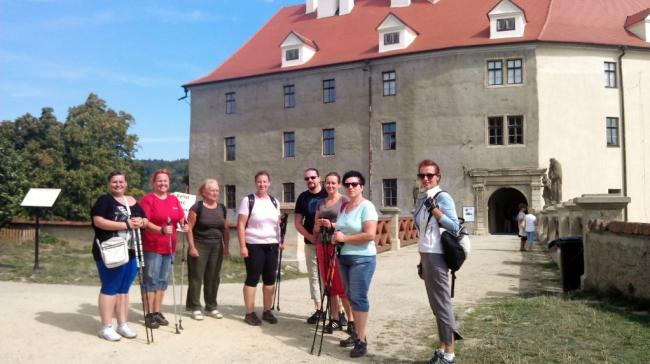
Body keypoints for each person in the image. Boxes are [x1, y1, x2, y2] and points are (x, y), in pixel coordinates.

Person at [413, 160, 462, 364]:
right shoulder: (422, 198)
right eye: (422, 175)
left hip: (438, 255)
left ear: (438, 177)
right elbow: (422, 232)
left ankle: (449, 354)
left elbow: (454, 226)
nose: (425, 179)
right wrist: (421, 260)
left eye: (429, 175)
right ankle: (442, 348)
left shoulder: (443, 197)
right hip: (426, 254)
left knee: (442, 304)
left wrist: (436, 211)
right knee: (435, 305)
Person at [91, 170, 147, 341]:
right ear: (109, 184)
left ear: (126, 183)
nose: (118, 185)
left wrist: (141, 222)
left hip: (132, 250)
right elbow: (98, 221)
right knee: (110, 287)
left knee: (124, 288)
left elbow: (144, 220)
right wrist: (126, 224)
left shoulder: (133, 201)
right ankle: (106, 327)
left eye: (121, 182)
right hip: (111, 250)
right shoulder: (104, 200)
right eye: (114, 182)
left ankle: (122, 324)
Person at [331, 170, 378, 358]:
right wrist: (335, 232)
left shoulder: (367, 207)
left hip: (362, 258)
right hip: (344, 257)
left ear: (362, 187)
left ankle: (361, 339)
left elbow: (370, 234)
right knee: (350, 296)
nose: (350, 187)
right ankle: (357, 333)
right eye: (347, 184)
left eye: (354, 184)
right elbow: (343, 228)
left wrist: (344, 237)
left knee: (358, 297)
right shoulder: (345, 207)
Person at [139, 169, 187, 328]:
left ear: (169, 183)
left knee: (162, 281)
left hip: (170, 247)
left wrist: (184, 224)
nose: (162, 183)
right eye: (159, 180)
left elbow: (180, 217)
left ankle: (157, 312)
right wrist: (159, 230)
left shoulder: (173, 200)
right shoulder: (148, 200)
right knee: (151, 280)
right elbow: (144, 222)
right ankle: (149, 314)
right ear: (153, 183)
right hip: (152, 246)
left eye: (165, 181)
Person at [237, 170, 282, 326]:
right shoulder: (248, 200)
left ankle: (267, 311)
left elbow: (277, 224)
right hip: (253, 244)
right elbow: (241, 224)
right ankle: (249, 313)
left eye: (265, 181)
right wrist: (243, 246)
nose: (262, 184)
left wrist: (280, 240)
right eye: (259, 182)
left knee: (270, 279)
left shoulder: (275, 201)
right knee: (253, 278)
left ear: (269, 183)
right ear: (255, 183)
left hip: (272, 245)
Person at [313, 172, 354, 334]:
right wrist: (319, 225)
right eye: (327, 183)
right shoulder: (320, 203)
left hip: (337, 246)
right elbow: (315, 227)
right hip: (322, 245)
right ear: (324, 184)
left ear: (338, 185)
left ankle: (351, 320)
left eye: (333, 183)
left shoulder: (345, 201)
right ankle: (335, 318)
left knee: (341, 284)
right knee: (328, 285)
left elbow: (349, 224)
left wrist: (332, 225)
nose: (330, 186)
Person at [185, 178, 229, 320]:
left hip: (217, 246)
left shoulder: (222, 208)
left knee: (213, 277)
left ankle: (211, 306)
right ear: (204, 192)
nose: (215, 193)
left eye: (217, 190)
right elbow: (189, 229)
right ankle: (195, 307)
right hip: (199, 244)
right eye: (212, 190)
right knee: (196, 277)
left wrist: (226, 247)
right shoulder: (196, 207)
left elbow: (225, 229)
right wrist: (191, 247)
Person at [294, 167, 328, 324]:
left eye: (313, 177)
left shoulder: (328, 193)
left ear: (319, 178)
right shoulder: (303, 197)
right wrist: (309, 236)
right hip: (311, 242)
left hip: (329, 242)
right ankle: (319, 309)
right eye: (307, 178)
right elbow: (297, 222)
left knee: (331, 276)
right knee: (314, 276)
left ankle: (338, 311)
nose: (310, 181)